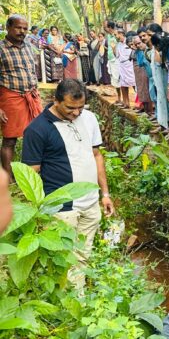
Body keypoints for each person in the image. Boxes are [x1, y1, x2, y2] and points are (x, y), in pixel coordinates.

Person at [21, 79, 115, 288]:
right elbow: (30, 174)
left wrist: (105, 194)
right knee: (64, 261)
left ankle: (79, 296)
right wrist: (36, 210)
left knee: (83, 255)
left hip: (90, 204)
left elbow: (96, 155)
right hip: (62, 209)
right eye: (70, 108)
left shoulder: (89, 118)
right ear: (56, 100)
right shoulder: (37, 130)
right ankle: (74, 300)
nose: (76, 113)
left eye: (80, 107)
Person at [0, 15, 43, 176]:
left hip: (31, 96)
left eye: (25, 28)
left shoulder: (28, 46)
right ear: (8, 27)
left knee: (36, 134)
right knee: (10, 139)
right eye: (18, 27)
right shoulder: (1, 48)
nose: (22, 31)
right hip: (11, 96)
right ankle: (7, 178)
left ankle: (32, 174)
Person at [132, 29, 154, 114]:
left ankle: (151, 112)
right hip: (147, 74)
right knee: (144, 91)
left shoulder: (149, 50)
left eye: (139, 43)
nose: (137, 45)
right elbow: (140, 63)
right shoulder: (140, 52)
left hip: (151, 75)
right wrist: (137, 50)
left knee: (150, 93)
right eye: (136, 44)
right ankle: (147, 111)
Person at [116, 32, 136, 109]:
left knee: (134, 83)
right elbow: (117, 55)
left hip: (129, 64)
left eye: (116, 34)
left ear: (121, 34)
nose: (116, 36)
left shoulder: (129, 41)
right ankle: (126, 103)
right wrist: (113, 47)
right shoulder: (118, 44)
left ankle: (139, 103)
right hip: (121, 65)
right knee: (123, 84)